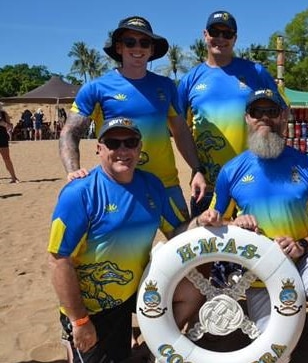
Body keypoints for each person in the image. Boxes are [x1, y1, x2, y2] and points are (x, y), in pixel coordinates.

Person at [202, 89, 308, 363]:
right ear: (247, 118)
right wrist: (234, 224)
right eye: (257, 112)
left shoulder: (307, 165)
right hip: (259, 273)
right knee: (275, 355)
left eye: (272, 112)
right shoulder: (231, 171)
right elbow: (212, 224)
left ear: (284, 116)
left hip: (303, 259)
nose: (264, 118)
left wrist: (303, 245)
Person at [48, 117, 211, 363]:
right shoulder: (79, 193)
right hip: (92, 307)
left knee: (195, 287)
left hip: (134, 291)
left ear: (139, 147)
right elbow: (58, 260)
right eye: (113, 143)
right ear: (99, 148)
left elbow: (176, 231)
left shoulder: (151, 185)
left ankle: (150, 345)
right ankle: (75, 337)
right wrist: (79, 321)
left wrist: (201, 222)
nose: (123, 150)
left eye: (130, 142)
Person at [59, 15, 206, 218]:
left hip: (165, 184)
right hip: (118, 186)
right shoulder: (96, 88)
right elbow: (70, 132)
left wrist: (197, 169)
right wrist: (73, 170)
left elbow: (180, 131)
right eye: (130, 42)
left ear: (152, 50)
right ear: (119, 47)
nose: (138, 48)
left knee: (182, 243)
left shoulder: (166, 86)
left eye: (144, 42)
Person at [177, 10, 279, 216]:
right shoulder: (190, 80)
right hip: (207, 185)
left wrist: (272, 158)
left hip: (253, 180)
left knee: (254, 244)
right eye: (215, 32)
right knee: (208, 246)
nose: (221, 38)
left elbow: (281, 114)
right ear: (205, 34)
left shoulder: (256, 72)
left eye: (227, 34)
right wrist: (196, 169)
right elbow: (179, 129)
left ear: (235, 38)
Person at [0, 104, 19, 183]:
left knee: (7, 159)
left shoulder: (4, 114)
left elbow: (10, 126)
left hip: (2, 138)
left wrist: (5, 124)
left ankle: (14, 178)